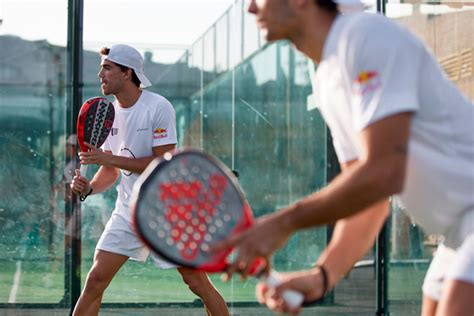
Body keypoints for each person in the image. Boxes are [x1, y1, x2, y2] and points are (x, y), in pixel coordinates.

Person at [214, 0, 474, 315]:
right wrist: (322, 276)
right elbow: (370, 200)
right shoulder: (327, 80)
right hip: (459, 231)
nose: (251, 8)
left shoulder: (366, 35)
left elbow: (383, 173)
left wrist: (283, 223)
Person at [70, 44, 229, 316]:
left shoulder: (158, 107)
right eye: (101, 68)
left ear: (127, 73)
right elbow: (110, 170)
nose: (100, 74)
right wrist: (90, 188)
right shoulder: (108, 113)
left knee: (196, 282)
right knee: (95, 280)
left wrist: (111, 160)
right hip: (127, 211)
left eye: (107, 68)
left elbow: (162, 163)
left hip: (166, 211)